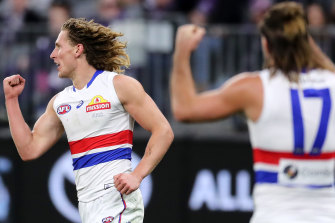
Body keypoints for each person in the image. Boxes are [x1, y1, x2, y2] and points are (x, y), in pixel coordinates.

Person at [170, 2, 335, 223]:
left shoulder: (253, 88)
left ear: (266, 45)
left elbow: (185, 109)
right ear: (307, 42)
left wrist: (181, 52)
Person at [3, 18, 174, 223]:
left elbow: (163, 130)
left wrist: (137, 175)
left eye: (58, 46)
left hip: (117, 202)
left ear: (78, 50)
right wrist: (12, 100)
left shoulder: (118, 86)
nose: (52, 54)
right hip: (87, 207)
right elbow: (28, 149)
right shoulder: (60, 102)